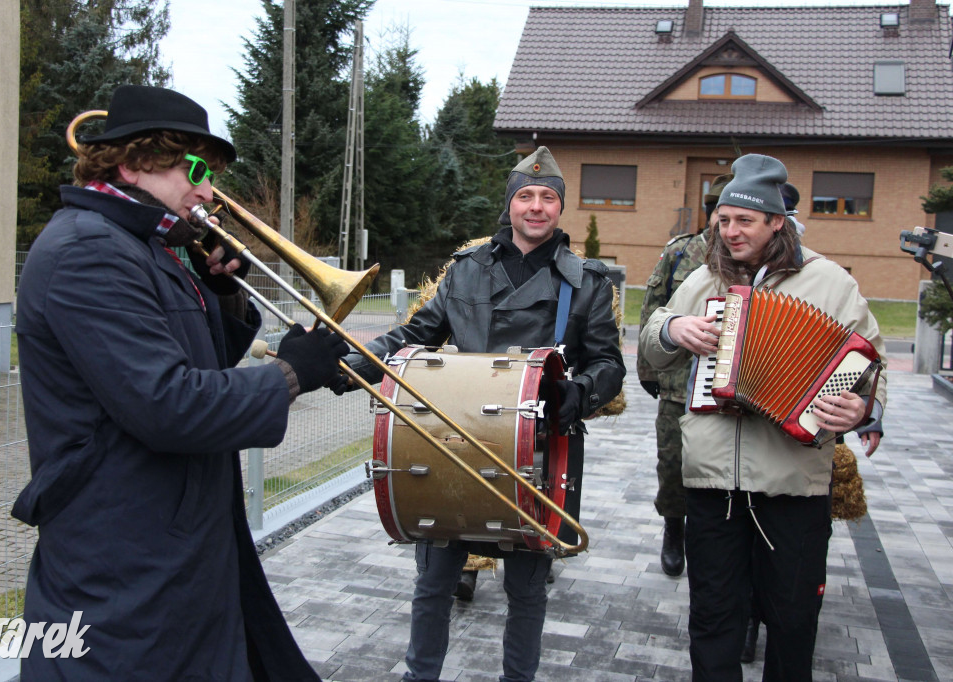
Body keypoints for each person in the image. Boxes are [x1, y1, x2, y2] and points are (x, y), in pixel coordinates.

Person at [12, 85, 348, 681]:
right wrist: (291, 373)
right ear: (136, 161)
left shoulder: (146, 246)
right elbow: (167, 404)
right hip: (124, 556)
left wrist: (219, 293)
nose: (208, 190)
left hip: (175, 538)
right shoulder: (89, 251)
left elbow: (192, 365)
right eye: (196, 168)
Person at [332, 146, 626, 682]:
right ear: (509, 205)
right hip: (454, 447)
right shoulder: (466, 270)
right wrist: (350, 362)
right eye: (525, 196)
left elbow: (609, 364)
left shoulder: (587, 283)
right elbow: (416, 335)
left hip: (535, 454)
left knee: (526, 590)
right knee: (434, 580)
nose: (536, 207)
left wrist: (574, 392)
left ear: (560, 209)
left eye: (547, 198)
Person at [638, 153, 887, 682]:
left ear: (777, 221)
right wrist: (672, 330)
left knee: (794, 619)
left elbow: (869, 363)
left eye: (743, 221)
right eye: (723, 221)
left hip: (793, 484)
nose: (730, 233)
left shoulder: (829, 282)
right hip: (711, 482)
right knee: (712, 617)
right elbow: (651, 341)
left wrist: (862, 407)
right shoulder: (705, 278)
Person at [637, 172, 731, 577]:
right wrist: (647, 371)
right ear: (709, 215)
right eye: (719, 215)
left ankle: (718, 541)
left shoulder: (757, 260)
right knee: (672, 465)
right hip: (677, 387)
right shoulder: (681, 253)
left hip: (733, 390)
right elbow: (652, 310)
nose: (725, 226)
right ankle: (673, 529)